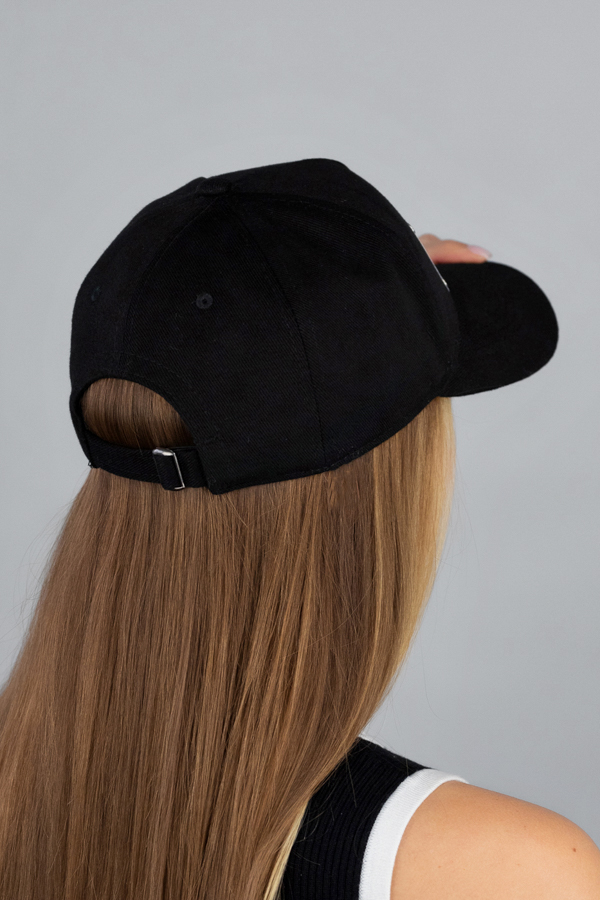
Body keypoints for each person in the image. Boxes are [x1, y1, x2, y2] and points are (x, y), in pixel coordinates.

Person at [0, 158, 597, 900]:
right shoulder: (507, 873)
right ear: (389, 493)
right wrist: (371, 304)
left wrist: (327, 323)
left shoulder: (24, 797)